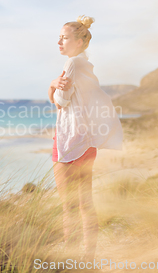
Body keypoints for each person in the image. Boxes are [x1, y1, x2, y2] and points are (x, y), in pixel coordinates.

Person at [48, 15, 123, 260]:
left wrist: (51, 84)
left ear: (79, 42)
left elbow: (59, 101)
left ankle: (70, 257)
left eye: (65, 38)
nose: (59, 42)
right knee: (85, 203)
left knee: (68, 206)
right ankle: (88, 257)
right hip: (86, 142)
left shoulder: (72, 65)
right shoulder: (86, 65)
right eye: (59, 38)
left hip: (68, 142)